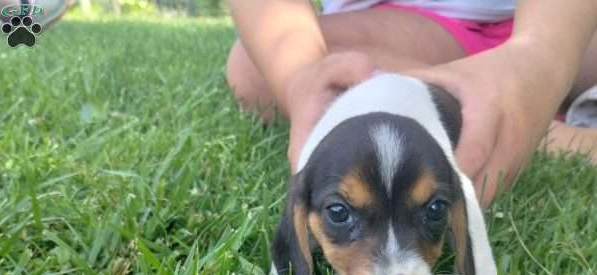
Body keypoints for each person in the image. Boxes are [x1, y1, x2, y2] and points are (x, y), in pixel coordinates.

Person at [226, 0, 597, 207]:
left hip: (561, 22)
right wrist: (300, 76)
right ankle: (554, 134)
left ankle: (516, 105)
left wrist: (539, 59)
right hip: (408, 29)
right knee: (257, 67)